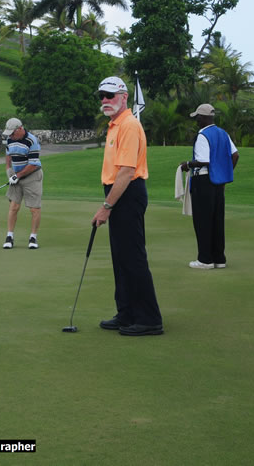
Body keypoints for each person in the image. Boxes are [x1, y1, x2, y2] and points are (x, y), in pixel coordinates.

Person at [91, 77, 163, 336]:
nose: (105, 100)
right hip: (118, 193)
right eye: (102, 96)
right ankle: (127, 313)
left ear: (123, 97)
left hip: (127, 193)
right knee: (120, 258)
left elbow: (126, 172)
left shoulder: (129, 125)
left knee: (132, 258)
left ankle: (149, 318)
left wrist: (106, 207)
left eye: (110, 95)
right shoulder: (115, 125)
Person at [180, 104, 239, 269]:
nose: (196, 120)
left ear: (203, 117)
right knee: (217, 219)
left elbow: (204, 160)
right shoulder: (223, 133)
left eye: (197, 117)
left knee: (203, 220)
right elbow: (235, 156)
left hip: (203, 181)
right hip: (217, 183)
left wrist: (187, 164)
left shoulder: (202, 135)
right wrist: (224, 175)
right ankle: (219, 259)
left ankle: (205, 259)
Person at [2, 118, 43, 249]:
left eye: (13, 133)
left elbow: (33, 164)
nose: (11, 136)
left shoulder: (32, 141)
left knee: (34, 208)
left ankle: (33, 238)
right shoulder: (9, 139)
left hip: (32, 176)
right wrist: (9, 170)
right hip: (16, 175)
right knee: (14, 206)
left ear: (20, 129)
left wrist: (18, 176)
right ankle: (9, 237)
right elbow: (8, 154)